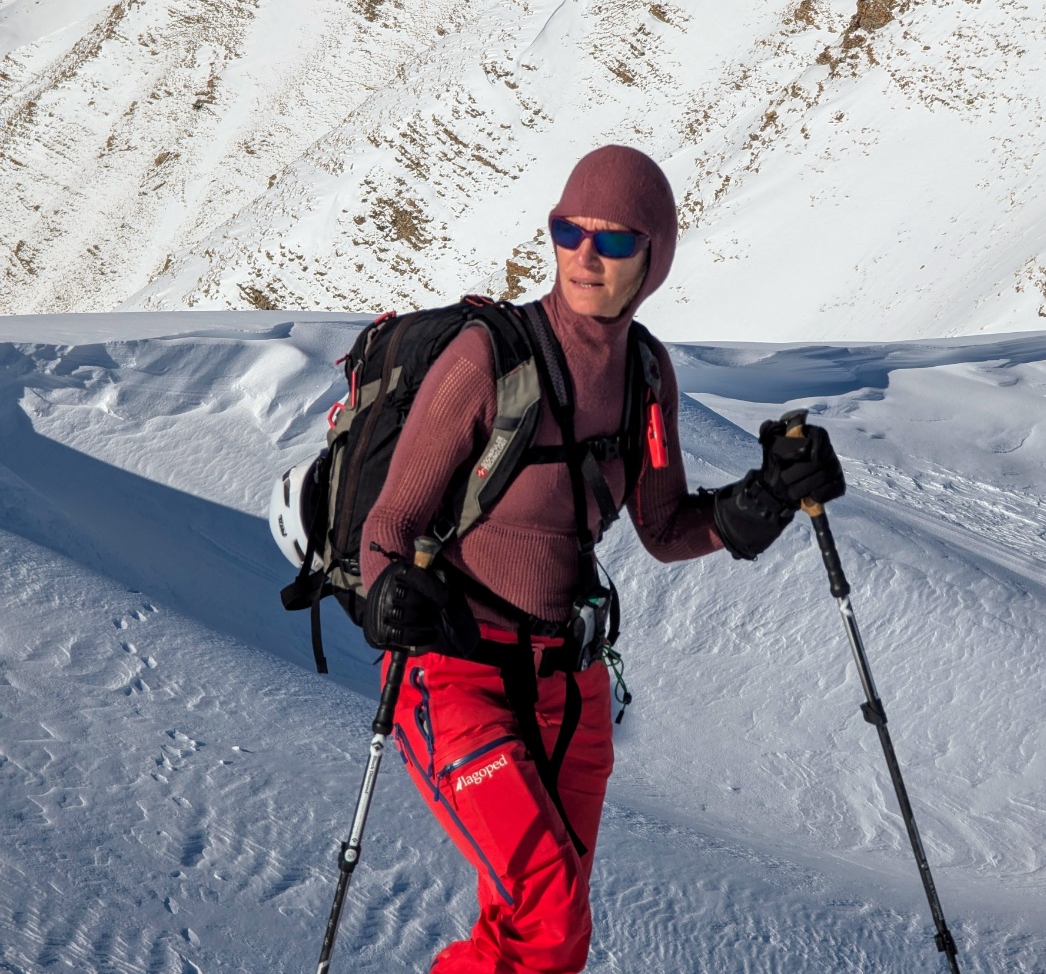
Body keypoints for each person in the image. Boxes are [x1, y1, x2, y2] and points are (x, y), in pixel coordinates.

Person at [359, 144, 845, 974]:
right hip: (457, 676)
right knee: (549, 917)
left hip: (573, 690)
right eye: (567, 231)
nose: (585, 255)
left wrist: (765, 498)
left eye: (614, 240)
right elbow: (388, 526)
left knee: (535, 936)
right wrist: (387, 593)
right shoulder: (486, 359)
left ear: (653, 257)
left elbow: (665, 529)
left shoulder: (647, 376)